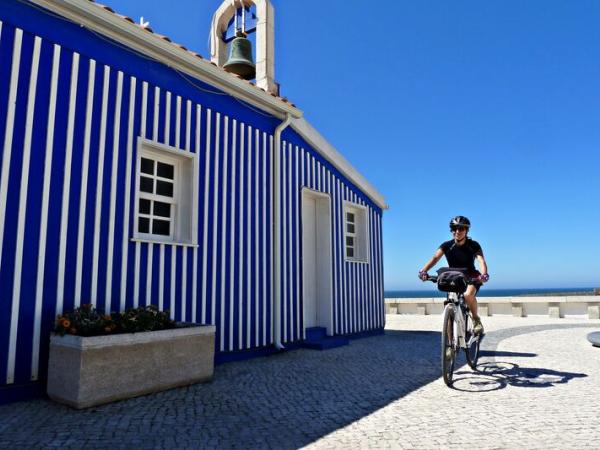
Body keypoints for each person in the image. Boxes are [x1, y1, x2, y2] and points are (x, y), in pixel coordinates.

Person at [418, 216, 489, 335]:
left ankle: (476, 319)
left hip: (471, 275)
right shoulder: (447, 245)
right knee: (450, 302)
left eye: (461, 229)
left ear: (466, 231)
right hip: (454, 276)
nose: (457, 231)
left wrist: (484, 274)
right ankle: (449, 345)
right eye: (454, 228)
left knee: (467, 295)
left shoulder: (473, 245)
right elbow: (435, 258)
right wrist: (423, 271)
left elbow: (481, 260)